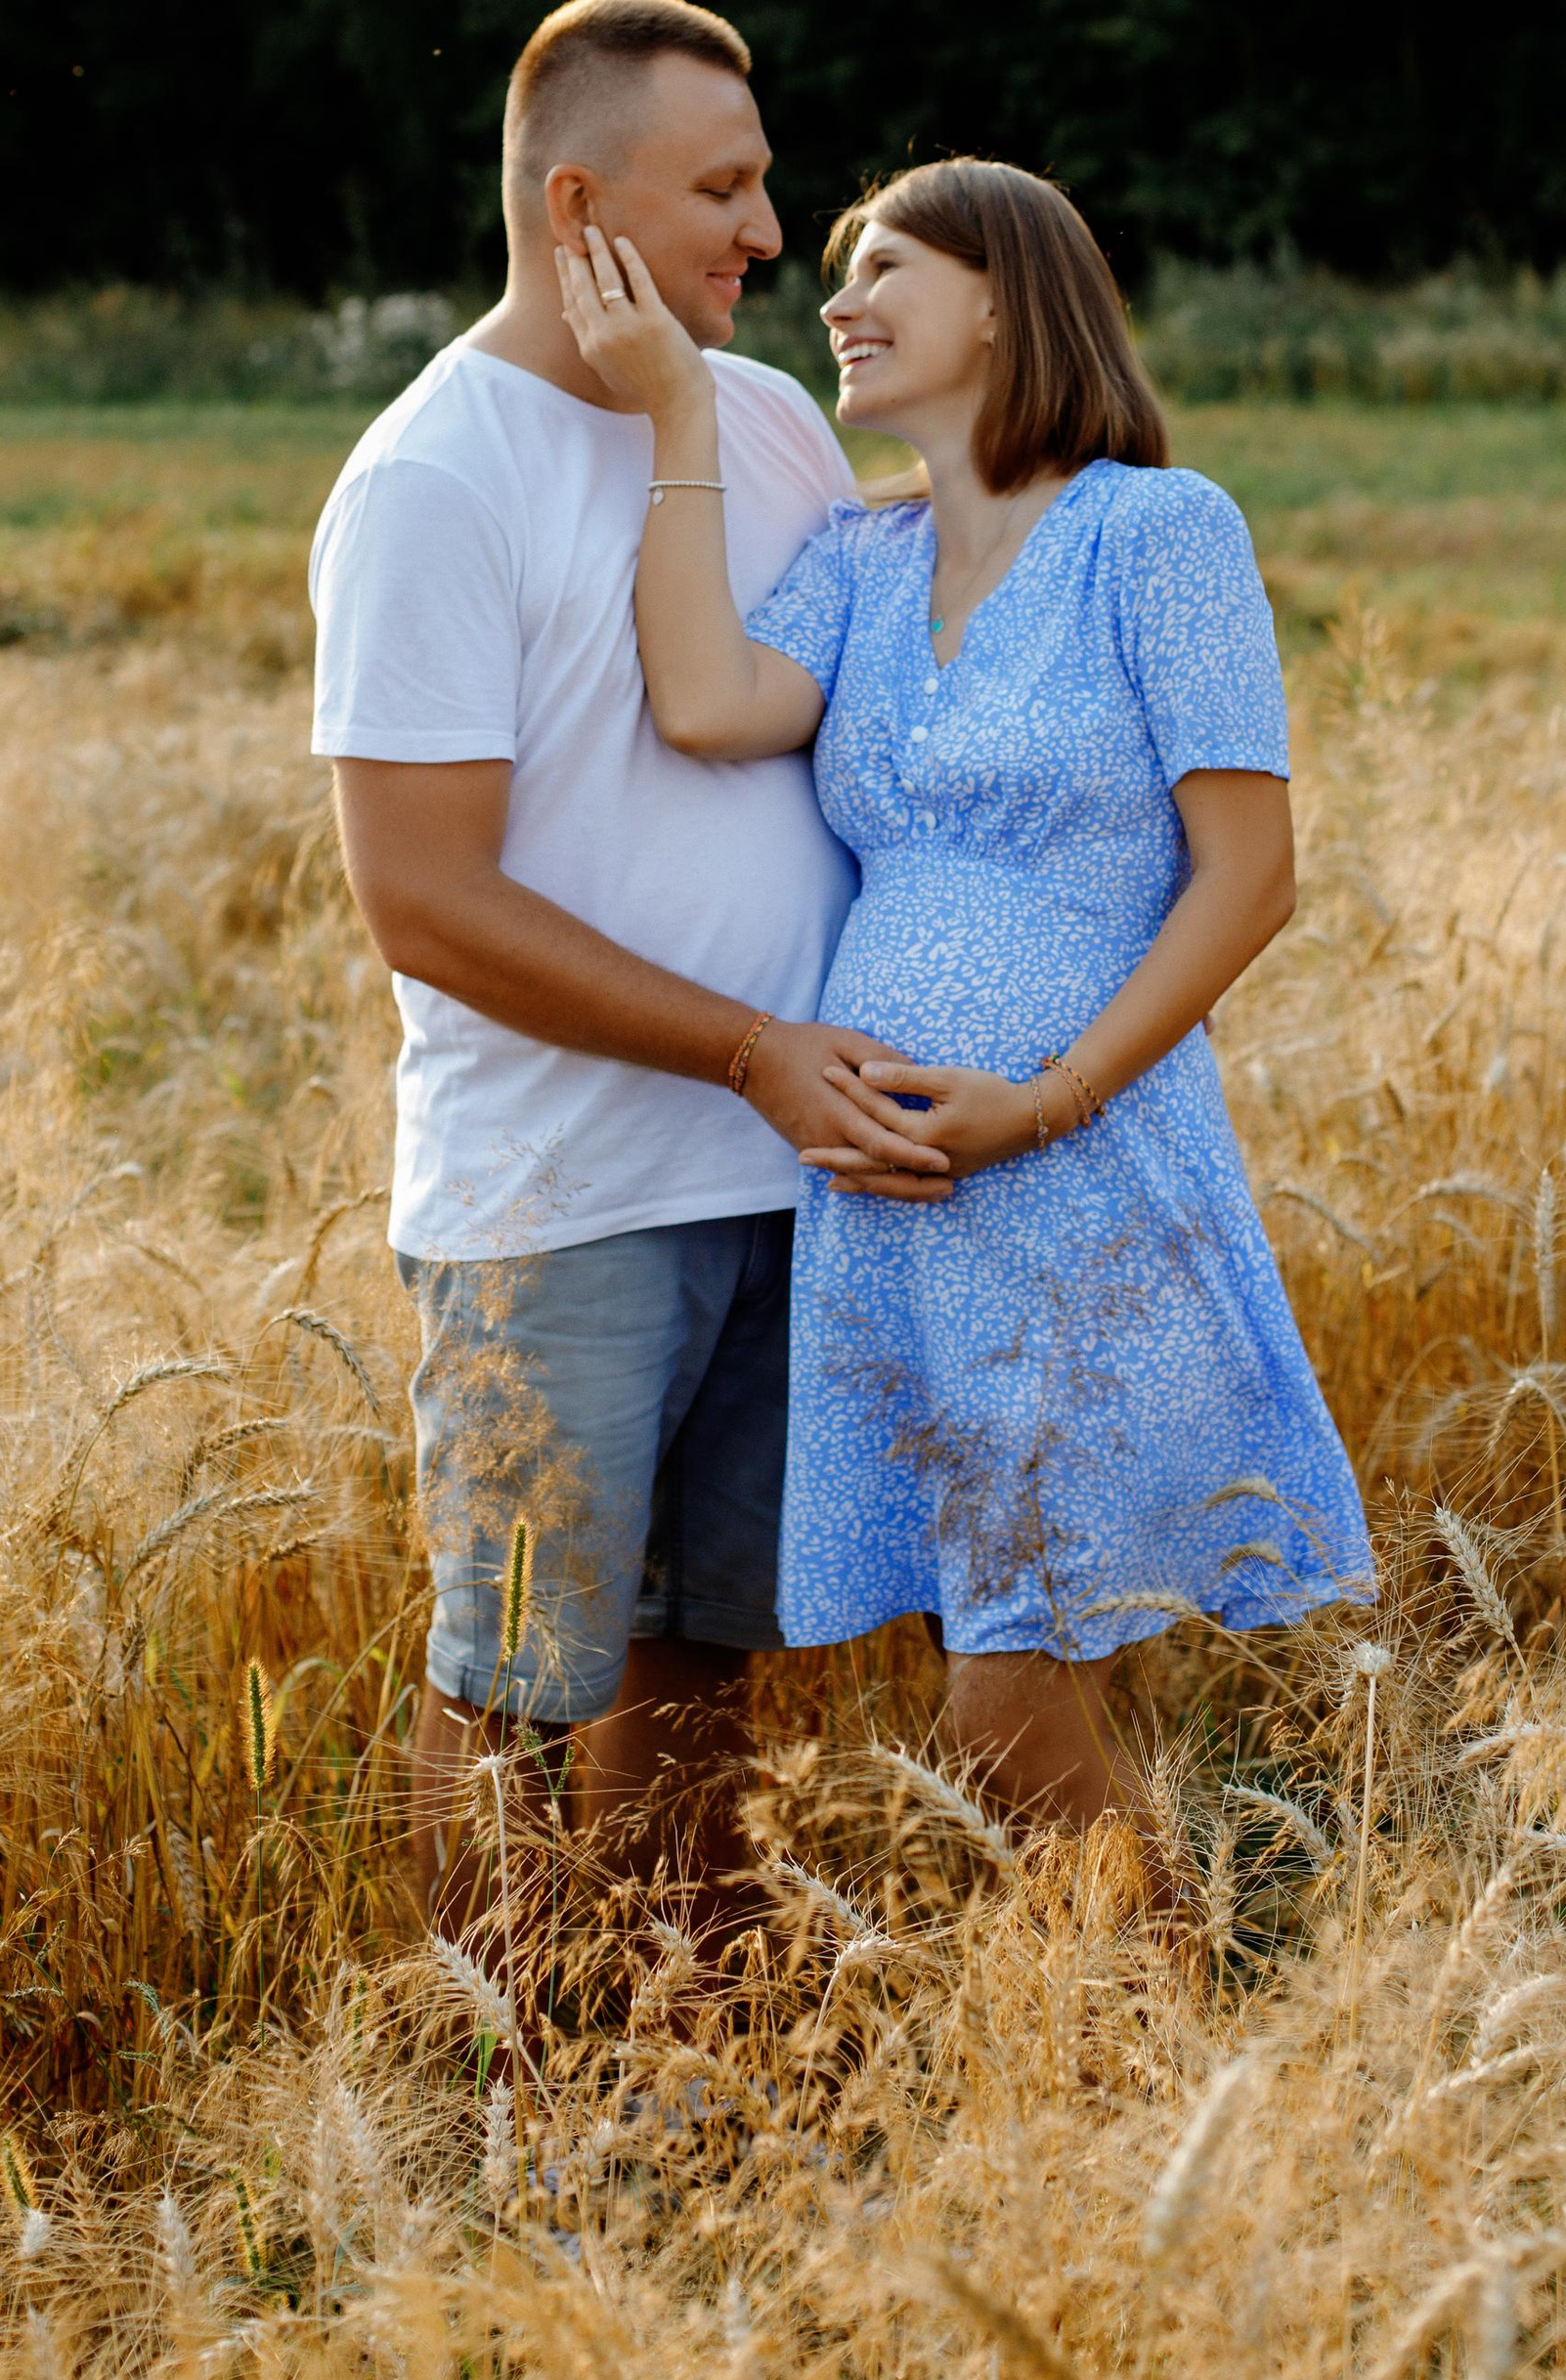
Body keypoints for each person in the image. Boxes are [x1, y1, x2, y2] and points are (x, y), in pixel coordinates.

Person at [557, 155, 1375, 1834]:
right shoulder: (866, 564)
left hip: (1080, 1172)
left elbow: (1251, 877)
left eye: (883, 271)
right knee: (1004, 1663)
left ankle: (1173, 2050)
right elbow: (707, 704)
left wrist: (1047, 1098)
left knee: (1009, 1692)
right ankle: (1127, 2060)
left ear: (1004, 299)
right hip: (895, 1204)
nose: (837, 305)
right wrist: (678, 425)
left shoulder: (1159, 534)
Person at [310, 0, 950, 1966]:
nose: (771, 234)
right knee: (512, 1685)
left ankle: (677, 2075)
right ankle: (495, 2104)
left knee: (704, 1656)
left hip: (793, 1172)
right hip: (562, 1198)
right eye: (725, 189)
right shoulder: (434, 482)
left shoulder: (756, 421)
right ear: (576, 208)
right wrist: (749, 1047)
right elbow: (421, 899)